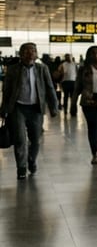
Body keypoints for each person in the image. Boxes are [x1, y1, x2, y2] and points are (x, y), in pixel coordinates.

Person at [1, 42, 59, 179]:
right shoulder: (13, 69)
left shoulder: (42, 68)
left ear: (36, 54)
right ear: (21, 54)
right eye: (26, 51)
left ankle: (31, 160)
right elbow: (7, 91)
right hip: (18, 108)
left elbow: (50, 88)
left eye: (33, 50)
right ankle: (21, 168)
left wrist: (53, 106)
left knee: (35, 140)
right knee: (20, 139)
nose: (30, 53)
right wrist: (3, 108)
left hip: (36, 109)